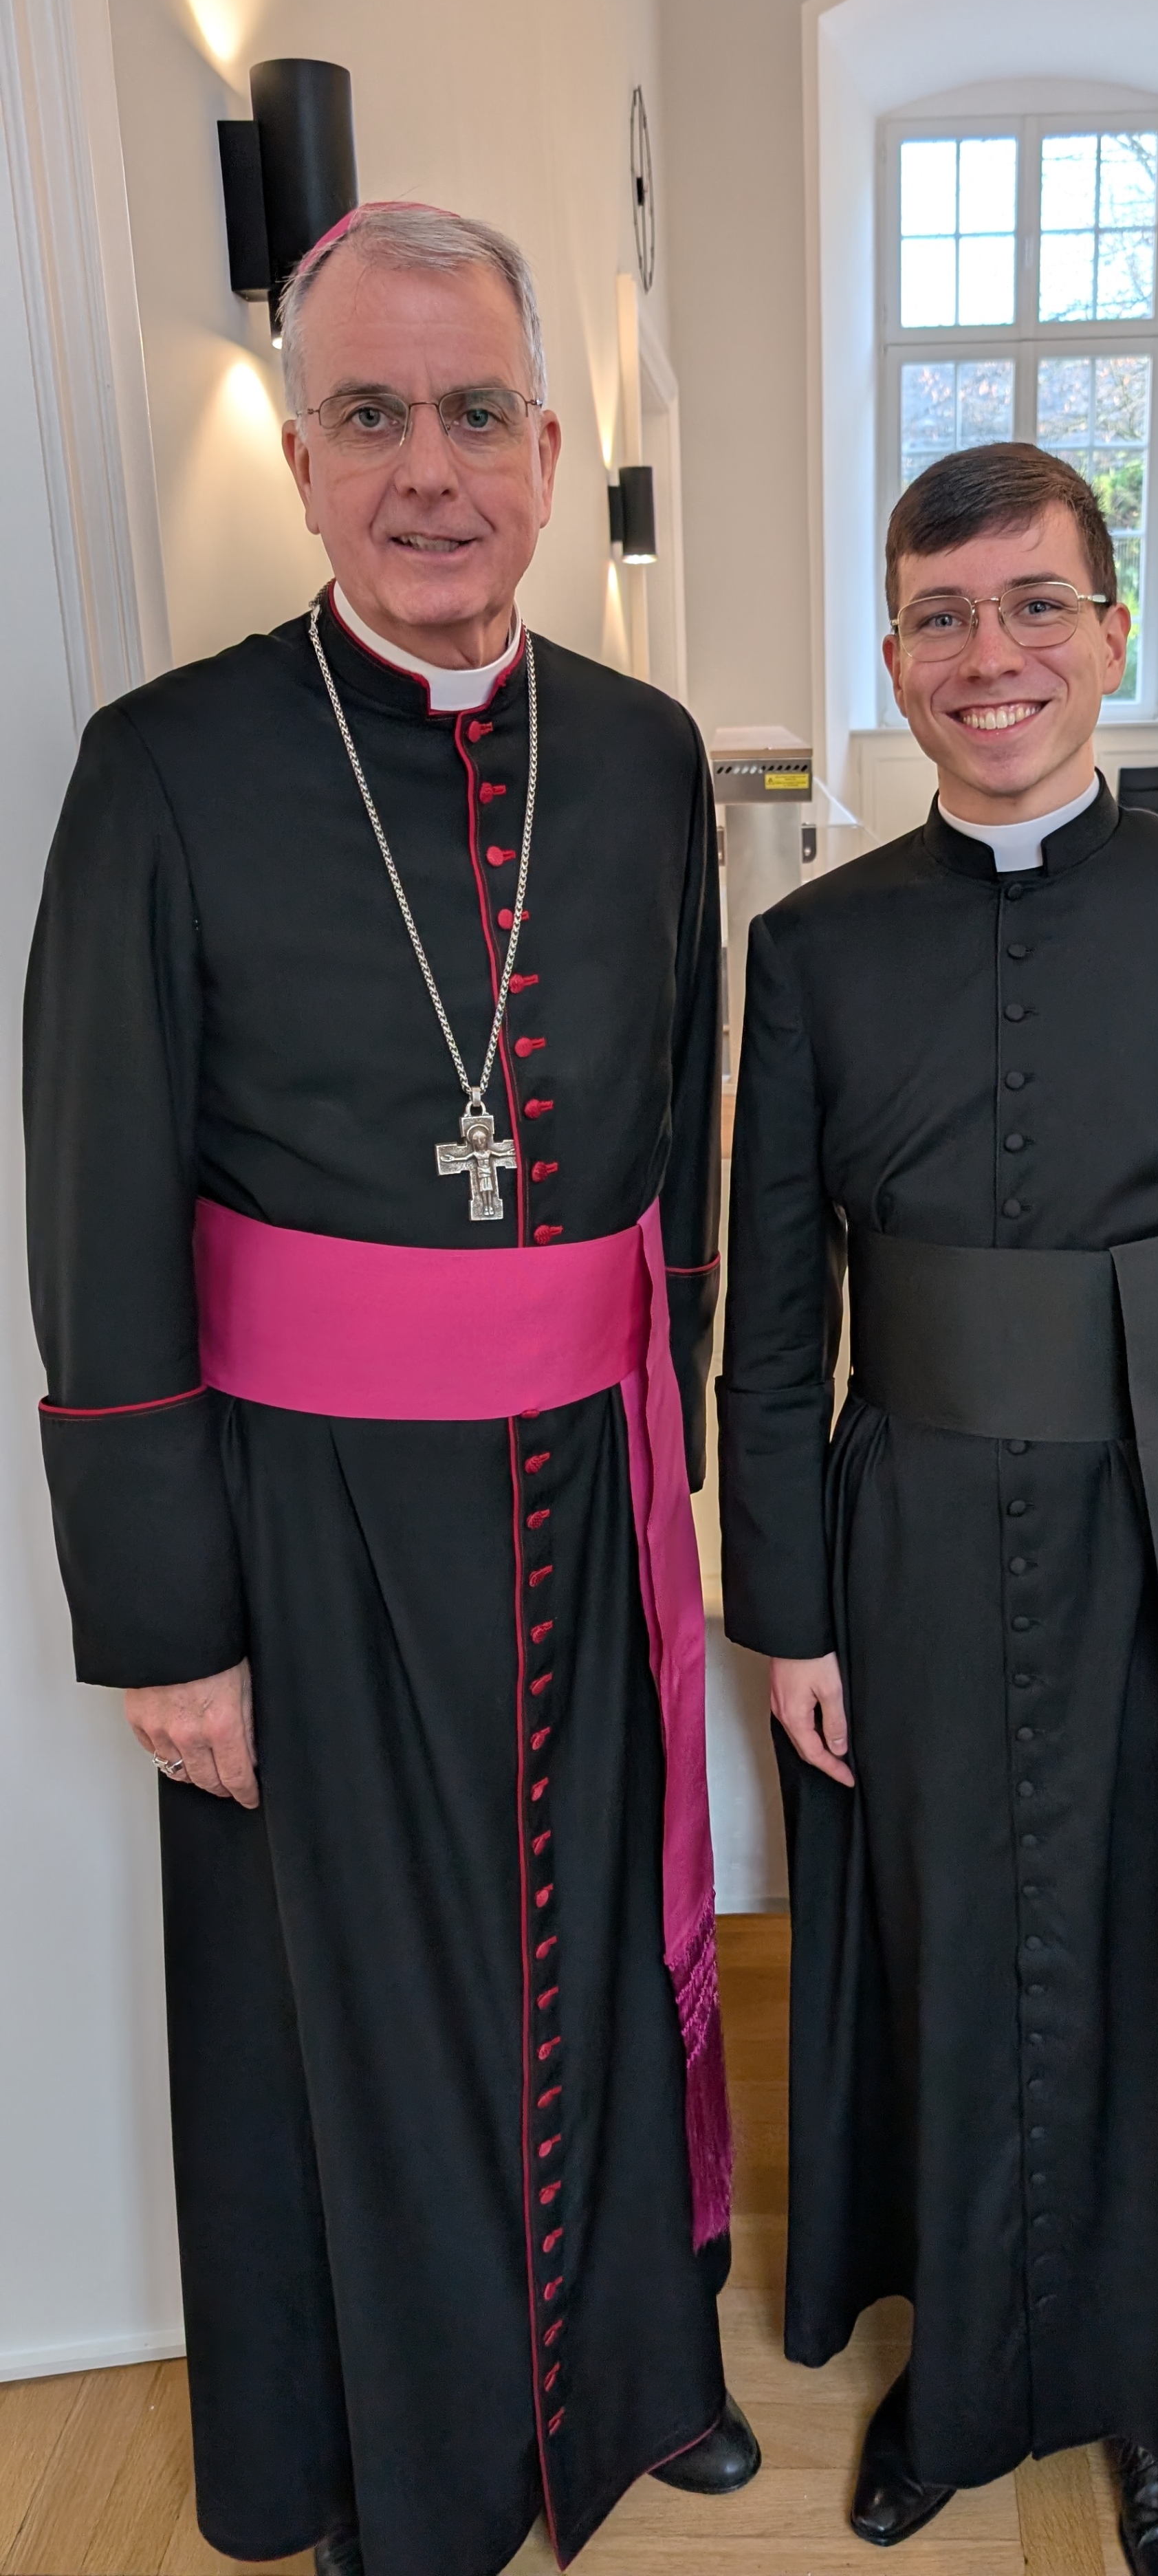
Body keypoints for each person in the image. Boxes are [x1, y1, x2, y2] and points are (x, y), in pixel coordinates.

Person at [25, 202, 757, 2576]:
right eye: (369, 416)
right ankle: (398, 2472)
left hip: (588, 1475)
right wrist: (165, 1619)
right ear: (294, 445)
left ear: (548, 452)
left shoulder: (645, 759)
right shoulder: (166, 768)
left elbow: (690, 1142)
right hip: (308, 1518)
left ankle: (634, 2373)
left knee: (604, 1939)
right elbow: (98, 1199)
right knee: (354, 2005)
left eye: (470, 417)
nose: (425, 470)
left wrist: (702, 1455)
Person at [719, 441, 1158, 2570]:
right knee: (936, 1954)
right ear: (892, 658)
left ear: (1109, 632)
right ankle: (967, 2384)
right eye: (941, 616)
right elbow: (770, 1308)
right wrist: (787, 1611)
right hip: (905, 1531)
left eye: (1034, 607)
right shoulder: (814, 950)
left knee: (1147, 1953)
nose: (989, 657)